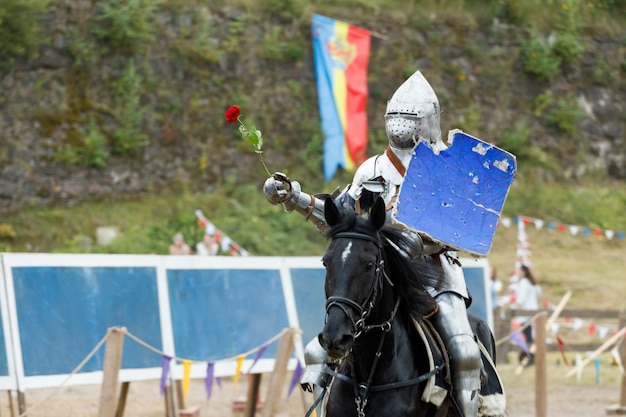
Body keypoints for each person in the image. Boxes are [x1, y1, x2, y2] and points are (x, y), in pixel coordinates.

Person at [263, 70, 486, 416]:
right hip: (380, 270)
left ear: (428, 121)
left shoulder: (446, 168)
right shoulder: (372, 169)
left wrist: (414, 237)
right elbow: (342, 216)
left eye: (409, 119)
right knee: (318, 351)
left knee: (464, 351)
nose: (401, 125)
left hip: (433, 273)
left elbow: (454, 230)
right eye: (397, 117)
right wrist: (294, 196)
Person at [514, 263, 541, 366]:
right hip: (531, 312)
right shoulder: (532, 282)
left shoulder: (524, 282)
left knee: (527, 336)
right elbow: (538, 293)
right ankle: (529, 356)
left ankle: (530, 357)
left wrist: (517, 308)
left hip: (525, 313)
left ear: (523, 272)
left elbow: (521, 298)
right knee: (528, 335)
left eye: (519, 271)